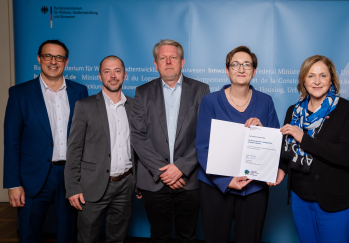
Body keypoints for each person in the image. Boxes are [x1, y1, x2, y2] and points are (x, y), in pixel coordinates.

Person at [3, 39, 88, 242]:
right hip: (32, 177)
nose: (53, 61)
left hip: (70, 175)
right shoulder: (19, 93)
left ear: (66, 62)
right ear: (39, 59)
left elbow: (86, 137)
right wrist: (13, 183)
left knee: (67, 234)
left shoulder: (80, 91)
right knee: (29, 234)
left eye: (59, 57)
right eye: (48, 56)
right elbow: (12, 140)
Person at [196, 46, 281, 243]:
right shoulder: (210, 101)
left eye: (247, 64)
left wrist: (262, 131)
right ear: (227, 71)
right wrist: (225, 181)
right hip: (215, 187)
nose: (241, 69)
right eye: (235, 64)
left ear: (254, 71)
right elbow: (202, 147)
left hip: (254, 188)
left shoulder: (266, 102)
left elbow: (276, 144)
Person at [278, 55, 349, 243]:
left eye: (323, 76)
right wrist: (281, 170)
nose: (317, 81)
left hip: (335, 198)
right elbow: (286, 150)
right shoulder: (293, 111)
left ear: (332, 80)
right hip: (300, 197)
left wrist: (303, 138)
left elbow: (347, 155)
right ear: (303, 80)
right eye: (311, 76)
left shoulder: (347, 110)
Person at [130, 39, 210, 243]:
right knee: (159, 236)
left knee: (187, 235)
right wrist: (165, 171)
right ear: (155, 64)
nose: (168, 62)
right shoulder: (142, 92)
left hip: (189, 179)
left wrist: (181, 168)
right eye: (162, 58)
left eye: (173, 57)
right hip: (154, 180)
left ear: (182, 62)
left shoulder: (201, 90)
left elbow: (206, 134)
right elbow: (138, 135)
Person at [65, 56, 136, 242]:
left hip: (126, 184)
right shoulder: (84, 106)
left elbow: (139, 146)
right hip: (92, 185)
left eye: (117, 71)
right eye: (107, 71)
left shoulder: (135, 106)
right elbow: (74, 150)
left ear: (125, 75)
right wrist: (72, 187)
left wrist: (140, 181)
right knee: (87, 238)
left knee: (117, 238)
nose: (113, 76)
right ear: (99, 76)